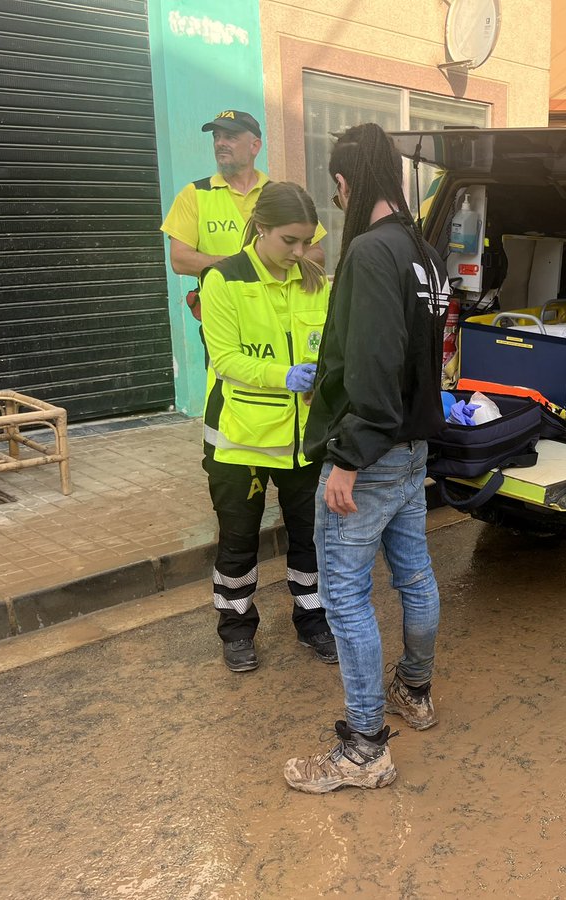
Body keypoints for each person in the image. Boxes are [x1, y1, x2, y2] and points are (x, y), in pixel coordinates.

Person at [284, 123, 450, 794]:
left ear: (349, 183)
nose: (335, 200)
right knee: (413, 576)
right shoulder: (423, 252)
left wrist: (347, 458)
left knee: (346, 595)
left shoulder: (371, 253)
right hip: (411, 450)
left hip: (372, 452)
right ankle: (415, 690)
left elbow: (376, 364)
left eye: (336, 188)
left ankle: (364, 746)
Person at [198, 182, 337, 672]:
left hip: (305, 441)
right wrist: (284, 376)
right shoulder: (224, 280)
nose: (300, 253)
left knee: (311, 539)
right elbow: (226, 359)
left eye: (307, 241)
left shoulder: (316, 280)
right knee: (238, 539)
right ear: (261, 229)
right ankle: (236, 630)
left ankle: (313, 620)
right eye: (290, 242)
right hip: (243, 442)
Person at [160, 110, 325, 340]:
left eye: (231, 137)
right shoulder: (194, 194)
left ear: (255, 146)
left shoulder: (280, 195)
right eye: (217, 137)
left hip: (281, 321)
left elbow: (316, 254)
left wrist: (272, 261)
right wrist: (245, 265)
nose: (220, 143)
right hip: (225, 322)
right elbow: (179, 260)